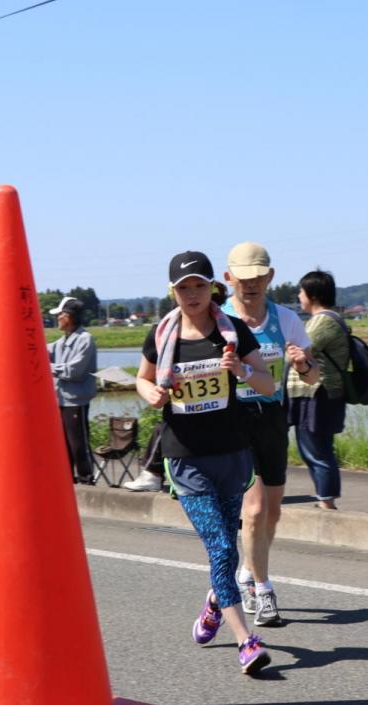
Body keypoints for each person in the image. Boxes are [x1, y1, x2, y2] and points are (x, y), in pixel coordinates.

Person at [137, 250, 276, 675]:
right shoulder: (162, 336)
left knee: (227, 551)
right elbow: (142, 379)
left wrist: (242, 371)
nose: (192, 293)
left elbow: (268, 384)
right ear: (172, 291)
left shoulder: (231, 332)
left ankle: (216, 600)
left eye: (199, 285)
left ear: (213, 287)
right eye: (184, 287)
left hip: (231, 452)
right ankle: (246, 641)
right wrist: (154, 395)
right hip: (185, 457)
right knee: (219, 546)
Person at [221, 242, 319, 627]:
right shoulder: (221, 318)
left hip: (272, 418)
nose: (251, 284)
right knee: (255, 508)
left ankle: (248, 570)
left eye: (259, 276)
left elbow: (313, 377)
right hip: (232, 420)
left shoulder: (285, 319)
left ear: (271, 276)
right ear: (229, 279)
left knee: (273, 511)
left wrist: (303, 362)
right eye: (244, 278)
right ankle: (261, 589)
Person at [287, 269, 350, 511]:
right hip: (315, 393)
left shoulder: (323, 321)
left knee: (316, 449)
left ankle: (326, 501)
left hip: (318, 393)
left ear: (312, 295)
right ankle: (325, 499)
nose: (299, 296)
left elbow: (300, 351)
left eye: (301, 292)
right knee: (314, 447)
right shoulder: (326, 319)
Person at [47, 297, 98, 485]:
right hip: (61, 399)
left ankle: (86, 479)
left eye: (61, 314)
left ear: (70, 316)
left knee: (78, 444)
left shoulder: (85, 339)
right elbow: (42, 350)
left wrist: (48, 367)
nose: (58, 318)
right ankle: (67, 479)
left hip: (76, 400)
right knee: (62, 444)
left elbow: (74, 371)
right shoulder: (62, 341)